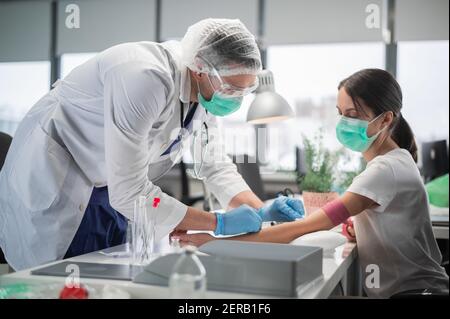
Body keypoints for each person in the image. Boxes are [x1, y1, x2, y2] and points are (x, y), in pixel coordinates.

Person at [0, 18, 303, 271]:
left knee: (104, 276)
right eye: (231, 89)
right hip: (60, 179)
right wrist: (218, 222)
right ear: (200, 68)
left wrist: (260, 211)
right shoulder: (144, 75)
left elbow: (215, 165)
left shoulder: (203, 95)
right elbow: (130, 191)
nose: (235, 99)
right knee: (59, 279)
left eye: (243, 91)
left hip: (109, 188)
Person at [177, 68, 449, 298]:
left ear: (386, 119)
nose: (344, 122)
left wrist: (215, 243)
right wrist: (365, 227)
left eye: (353, 115)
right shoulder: (396, 160)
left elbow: (307, 227)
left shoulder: (385, 169)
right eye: (340, 113)